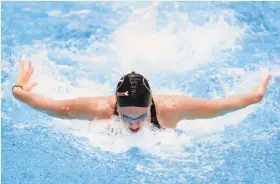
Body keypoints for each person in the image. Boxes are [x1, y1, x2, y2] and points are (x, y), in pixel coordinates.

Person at [12, 59, 272, 133]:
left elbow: (221, 107)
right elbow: (51, 107)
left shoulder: (171, 108)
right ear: (116, 105)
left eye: (141, 115)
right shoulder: (100, 109)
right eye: (126, 116)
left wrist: (256, 96)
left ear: (151, 105)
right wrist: (19, 90)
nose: (134, 123)